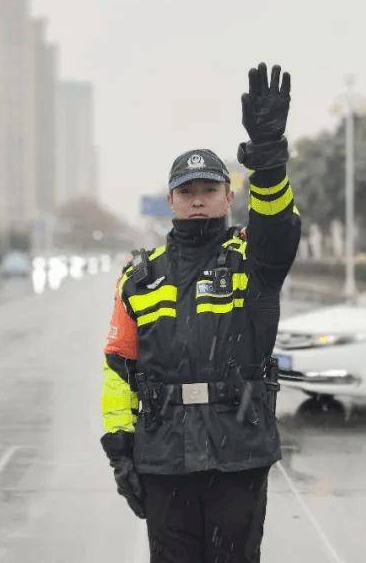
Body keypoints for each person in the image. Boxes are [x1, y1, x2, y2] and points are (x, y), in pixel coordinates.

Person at [99, 62, 301, 563]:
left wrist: (269, 159)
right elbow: (119, 368)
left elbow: (279, 228)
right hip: (164, 455)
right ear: (170, 200)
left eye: (208, 190)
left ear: (228, 197)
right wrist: (121, 450)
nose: (197, 200)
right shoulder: (139, 279)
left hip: (238, 449)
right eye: (187, 192)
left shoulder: (252, 259)